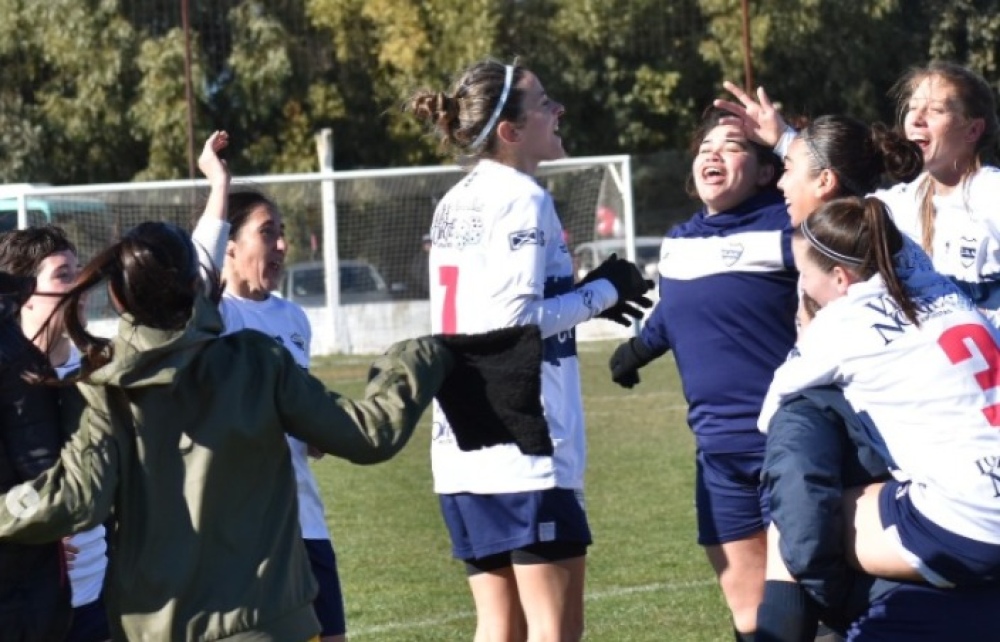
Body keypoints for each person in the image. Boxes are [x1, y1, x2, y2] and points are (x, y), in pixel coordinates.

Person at [0, 219, 461, 641]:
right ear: (197, 283)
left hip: (156, 627)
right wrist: (418, 358)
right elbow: (369, 434)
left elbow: (75, 500)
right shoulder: (257, 361)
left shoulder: (103, 389)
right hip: (270, 623)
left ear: (118, 298)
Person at [405, 58, 652, 641]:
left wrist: (578, 292)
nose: (558, 109)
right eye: (543, 103)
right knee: (552, 633)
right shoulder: (522, 198)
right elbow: (511, 319)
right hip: (524, 445)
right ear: (510, 131)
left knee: (499, 629)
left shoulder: (453, 200)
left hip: (462, 443)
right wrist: (601, 292)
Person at [757, 196, 1000, 637]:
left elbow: (773, 412)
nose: (803, 286)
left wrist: (808, 339)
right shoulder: (941, 287)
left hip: (971, 525)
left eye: (804, 275)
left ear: (839, 277)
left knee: (794, 517)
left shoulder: (841, 325)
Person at [606, 107, 796, 640]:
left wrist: (787, 141)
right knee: (749, 614)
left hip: (789, 445)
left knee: (803, 605)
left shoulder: (789, 226)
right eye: (705, 145)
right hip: (716, 452)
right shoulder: (679, 242)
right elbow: (675, 308)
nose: (712, 153)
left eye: (733, 145)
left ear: (765, 171)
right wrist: (638, 349)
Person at [190, 131, 349, 642]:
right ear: (230, 248)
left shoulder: (294, 318)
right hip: (245, 531)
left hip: (305, 519)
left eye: (282, 232)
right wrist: (219, 184)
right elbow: (194, 272)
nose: (281, 244)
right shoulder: (214, 316)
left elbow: (301, 417)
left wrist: (323, 430)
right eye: (266, 233)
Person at [715, 62, 1000, 307]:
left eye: (936, 110)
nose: (917, 118)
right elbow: (838, 182)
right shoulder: (900, 203)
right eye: (912, 108)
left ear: (973, 130)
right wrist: (783, 140)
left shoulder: (991, 193)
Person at [0, 226, 110, 642]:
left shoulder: (100, 371)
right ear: (23, 294)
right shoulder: (10, 378)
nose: (80, 285)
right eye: (64, 275)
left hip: (98, 593)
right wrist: (38, 533)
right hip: (26, 602)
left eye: (80, 272)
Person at [0, 270, 72, 642]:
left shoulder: (15, 357)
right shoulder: (17, 358)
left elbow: (40, 485)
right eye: (64, 275)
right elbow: (44, 484)